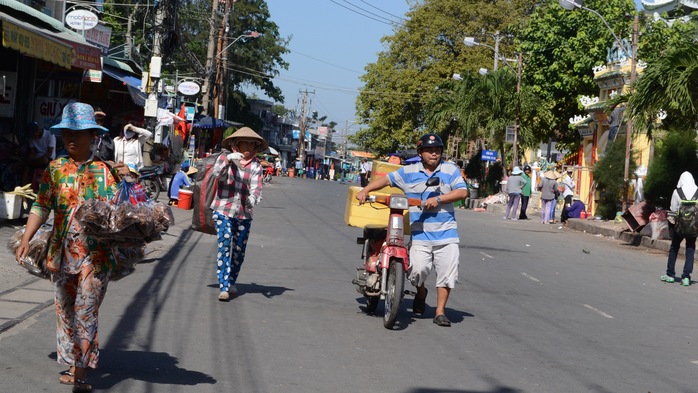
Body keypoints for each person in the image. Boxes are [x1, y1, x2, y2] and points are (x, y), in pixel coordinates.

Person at [14, 103, 130, 393]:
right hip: (61, 254)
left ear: (93, 136)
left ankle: (80, 370)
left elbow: (122, 214)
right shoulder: (55, 169)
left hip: (97, 256)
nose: (71, 139)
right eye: (67, 133)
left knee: (86, 309)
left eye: (78, 134)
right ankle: (72, 360)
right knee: (65, 310)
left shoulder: (105, 172)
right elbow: (42, 205)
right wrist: (27, 237)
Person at [355, 133, 468, 327]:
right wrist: (366, 190)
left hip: (447, 235)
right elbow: (387, 180)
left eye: (437, 150)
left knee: (447, 275)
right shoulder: (408, 171)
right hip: (420, 234)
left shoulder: (449, 169)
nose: (434, 154)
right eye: (429, 150)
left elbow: (462, 191)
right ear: (420, 152)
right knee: (417, 271)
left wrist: (439, 199)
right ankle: (421, 291)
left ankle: (440, 312)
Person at [210, 127, 266, 301]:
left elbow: (257, 188)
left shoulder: (256, 165)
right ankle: (224, 286)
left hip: (243, 213)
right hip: (222, 209)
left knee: (239, 251)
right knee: (225, 243)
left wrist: (253, 198)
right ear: (237, 145)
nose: (248, 146)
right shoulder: (224, 158)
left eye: (252, 143)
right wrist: (227, 160)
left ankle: (232, 280)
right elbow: (216, 175)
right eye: (245, 143)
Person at [661, 171, 697, 287]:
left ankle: (670, 275)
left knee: (674, 248)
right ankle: (686, 277)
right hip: (694, 227)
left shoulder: (677, 192)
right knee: (690, 250)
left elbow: (673, 208)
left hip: (680, 226)